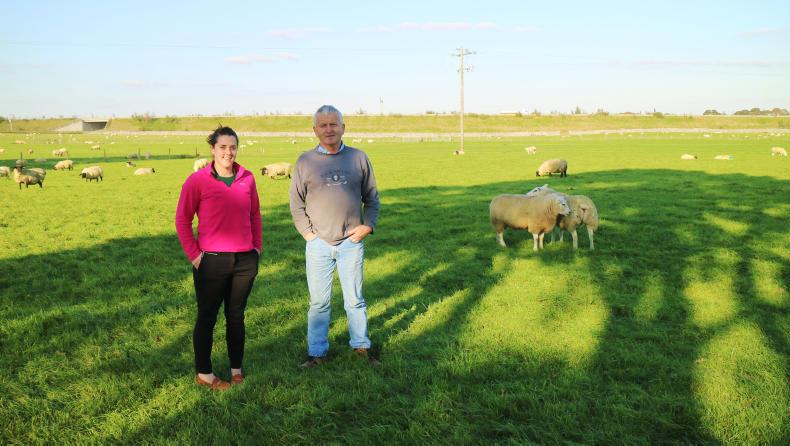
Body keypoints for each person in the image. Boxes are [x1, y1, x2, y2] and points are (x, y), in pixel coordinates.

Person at [289, 105, 381, 368]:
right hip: (318, 244)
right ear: (315, 130)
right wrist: (308, 234)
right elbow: (296, 203)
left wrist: (367, 226)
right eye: (323, 125)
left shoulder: (358, 157)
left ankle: (361, 348)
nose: (329, 129)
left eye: (333, 124)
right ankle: (317, 354)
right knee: (319, 303)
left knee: (355, 300)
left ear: (343, 127)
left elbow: (372, 198)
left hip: (351, 242)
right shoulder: (305, 161)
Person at [175, 126, 262, 390]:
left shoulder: (247, 178)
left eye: (232, 147)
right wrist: (195, 256)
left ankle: (236, 369)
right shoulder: (197, 180)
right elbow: (182, 220)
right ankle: (205, 374)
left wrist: (256, 249)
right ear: (213, 149)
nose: (228, 152)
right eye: (223, 147)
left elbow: (255, 215)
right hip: (211, 261)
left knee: (236, 316)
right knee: (207, 317)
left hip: (244, 262)